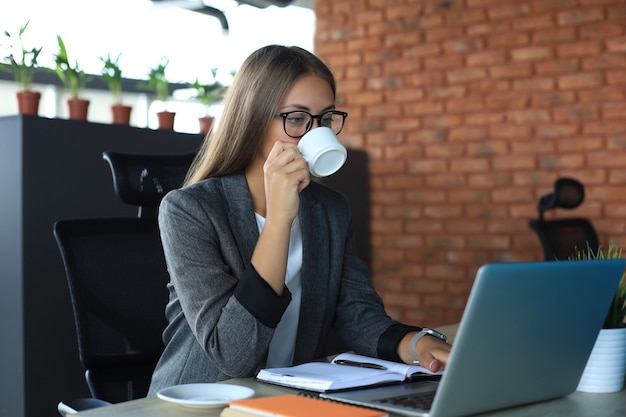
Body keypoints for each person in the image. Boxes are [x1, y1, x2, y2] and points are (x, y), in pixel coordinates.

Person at [147, 45, 450, 395]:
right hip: (198, 402)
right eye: (296, 118)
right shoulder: (190, 210)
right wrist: (278, 221)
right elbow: (232, 354)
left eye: (325, 120)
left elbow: (358, 314)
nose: (313, 133)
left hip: (286, 399)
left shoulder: (330, 210)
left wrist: (417, 345)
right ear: (253, 120)